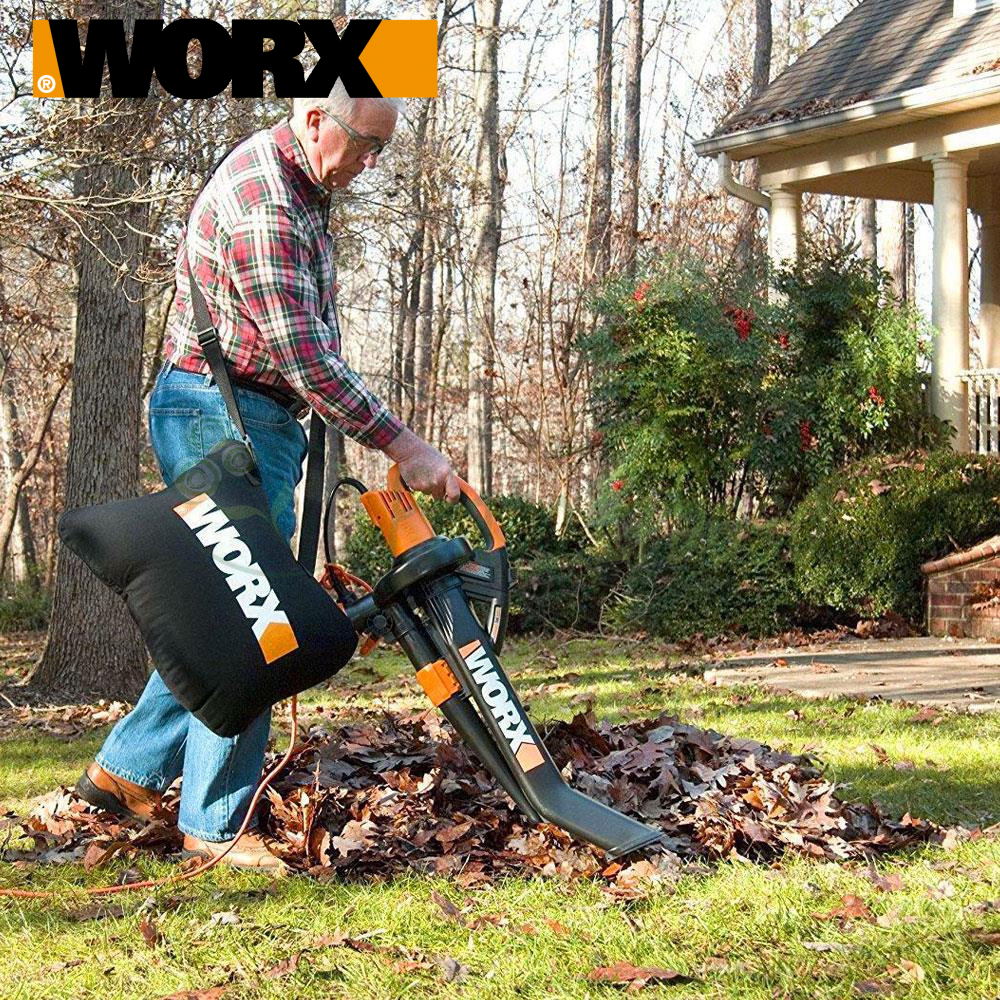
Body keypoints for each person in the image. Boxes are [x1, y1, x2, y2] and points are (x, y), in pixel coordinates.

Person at [74, 83, 460, 869]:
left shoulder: (302, 185)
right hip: (221, 413)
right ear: (315, 118)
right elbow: (305, 356)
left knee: (224, 610)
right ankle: (215, 828)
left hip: (246, 412)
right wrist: (404, 444)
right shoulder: (268, 202)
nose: (371, 162)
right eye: (365, 143)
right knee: (258, 620)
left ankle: (127, 772)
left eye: (382, 148)